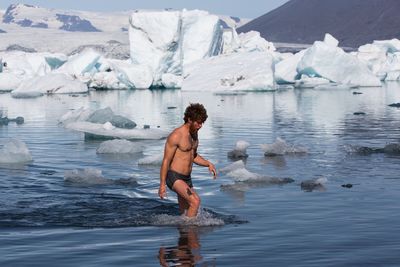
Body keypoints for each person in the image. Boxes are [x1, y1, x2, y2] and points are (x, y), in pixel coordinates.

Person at [159, 103, 217, 218]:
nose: (200, 126)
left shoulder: (194, 133)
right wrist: (162, 184)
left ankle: (184, 233)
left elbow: (193, 155)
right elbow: (166, 161)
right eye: (198, 122)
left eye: (202, 123)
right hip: (174, 177)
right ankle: (190, 229)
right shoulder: (176, 136)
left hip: (187, 179)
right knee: (195, 201)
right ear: (190, 119)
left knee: (185, 212)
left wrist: (208, 163)